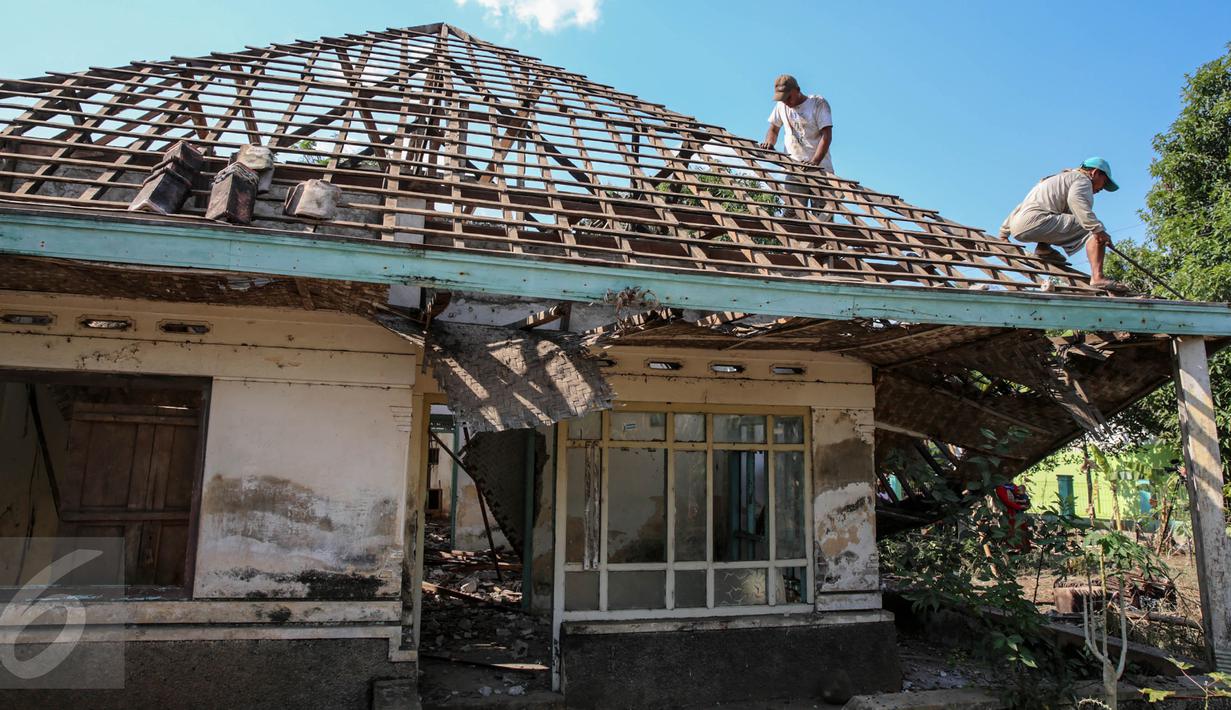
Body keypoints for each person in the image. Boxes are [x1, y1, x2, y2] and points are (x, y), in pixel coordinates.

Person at [999, 158, 1129, 293]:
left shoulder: (1055, 180)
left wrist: (1004, 233)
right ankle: (1097, 277)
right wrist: (1098, 230)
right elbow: (1077, 202)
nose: (1102, 188)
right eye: (1105, 182)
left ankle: (1043, 248)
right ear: (1095, 173)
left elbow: (1022, 206)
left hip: (1019, 225)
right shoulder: (1083, 180)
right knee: (1093, 227)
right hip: (1037, 222)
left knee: (1062, 213)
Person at [759, 74, 834, 219]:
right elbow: (774, 129)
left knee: (823, 217)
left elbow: (827, 136)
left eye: (789, 97)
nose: (786, 102)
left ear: (798, 90)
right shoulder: (781, 106)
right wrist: (769, 142)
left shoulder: (818, 104)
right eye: (783, 98)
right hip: (794, 168)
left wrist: (814, 162)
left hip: (821, 170)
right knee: (793, 215)